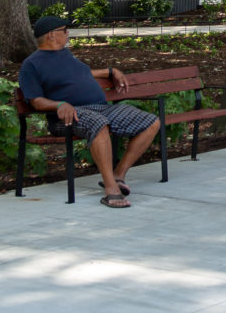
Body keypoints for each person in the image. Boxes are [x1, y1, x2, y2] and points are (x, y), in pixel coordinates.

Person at [19, 16, 161, 209]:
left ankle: (118, 175)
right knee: (99, 123)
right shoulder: (32, 65)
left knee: (150, 121)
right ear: (52, 35)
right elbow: (36, 100)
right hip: (68, 116)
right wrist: (59, 104)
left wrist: (111, 71)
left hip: (100, 108)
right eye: (65, 30)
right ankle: (111, 191)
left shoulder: (65, 54)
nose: (68, 33)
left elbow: (84, 73)